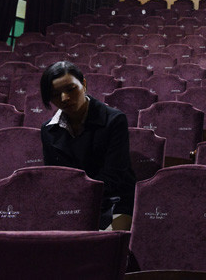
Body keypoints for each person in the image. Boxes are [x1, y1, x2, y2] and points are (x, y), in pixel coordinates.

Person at [40, 61, 136, 229]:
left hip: (114, 200)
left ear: (83, 84)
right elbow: (54, 176)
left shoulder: (114, 120)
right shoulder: (49, 130)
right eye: (56, 95)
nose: (64, 98)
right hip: (71, 202)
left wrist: (77, 197)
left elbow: (114, 176)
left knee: (105, 242)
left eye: (71, 89)